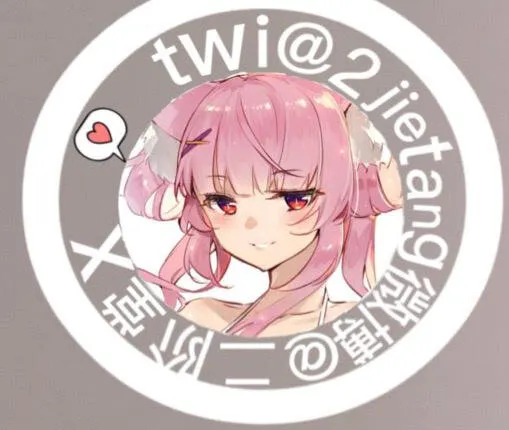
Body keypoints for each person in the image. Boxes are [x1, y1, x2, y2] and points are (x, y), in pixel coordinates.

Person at [121, 72, 403, 338]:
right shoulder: (202, 315)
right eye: (224, 203)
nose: (254, 226)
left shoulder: (358, 322)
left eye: (294, 199)